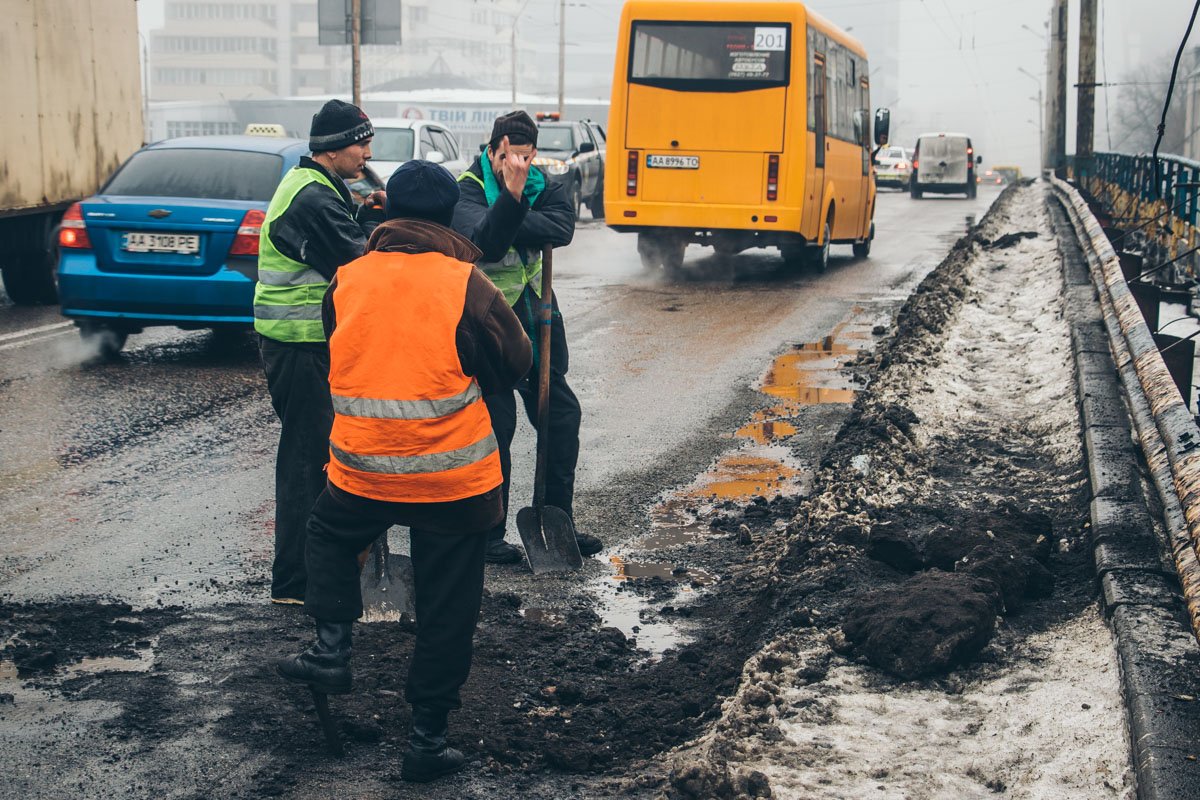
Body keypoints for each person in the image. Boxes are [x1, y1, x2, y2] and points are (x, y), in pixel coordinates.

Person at [276, 160, 532, 783]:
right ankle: (426, 741)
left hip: (362, 468)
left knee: (329, 534)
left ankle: (332, 650)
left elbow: (343, 343)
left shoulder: (347, 280)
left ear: (386, 215)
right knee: (448, 608)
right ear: (448, 218)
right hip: (453, 479)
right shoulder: (465, 283)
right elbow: (514, 362)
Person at [451, 110, 603, 564]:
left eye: (524, 155)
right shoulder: (468, 188)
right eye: (508, 155)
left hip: (537, 313)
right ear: (493, 149)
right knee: (496, 425)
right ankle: (489, 533)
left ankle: (558, 522)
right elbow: (485, 242)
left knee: (561, 414)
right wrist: (514, 201)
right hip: (488, 320)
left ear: (533, 153)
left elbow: (561, 228)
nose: (516, 163)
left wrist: (513, 209)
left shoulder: (546, 185)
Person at [254, 99, 385, 604]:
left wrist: (363, 213)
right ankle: (295, 584)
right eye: (360, 142)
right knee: (307, 463)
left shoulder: (319, 187)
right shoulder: (313, 198)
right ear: (333, 149)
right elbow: (358, 263)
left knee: (315, 458)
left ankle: (311, 575)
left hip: (304, 343)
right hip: (300, 344)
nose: (367, 151)